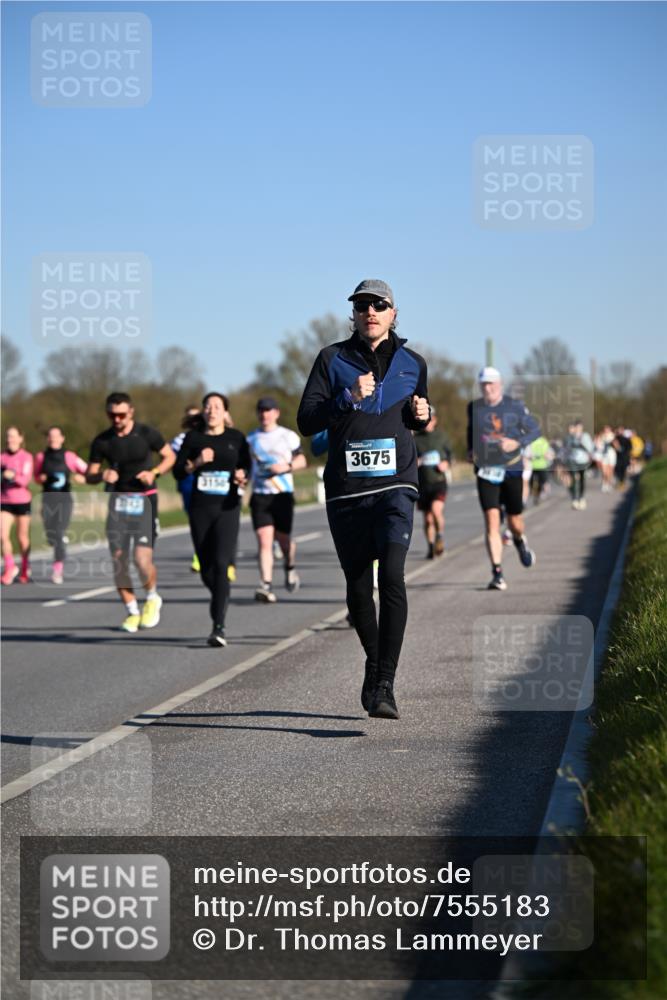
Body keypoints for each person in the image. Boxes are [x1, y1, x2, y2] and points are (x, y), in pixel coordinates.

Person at [297, 278, 431, 720]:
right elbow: (306, 420)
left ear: (394, 313)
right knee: (357, 583)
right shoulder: (331, 359)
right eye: (361, 306)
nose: (369, 311)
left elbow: (418, 416)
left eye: (379, 305)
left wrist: (424, 416)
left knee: (391, 573)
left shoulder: (414, 363)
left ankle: (386, 683)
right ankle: (373, 665)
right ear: (353, 314)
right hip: (347, 489)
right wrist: (346, 397)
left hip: (396, 484)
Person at [86, 392, 175, 632]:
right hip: (118, 505)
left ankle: (153, 597)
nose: (116, 419)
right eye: (111, 415)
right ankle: (132, 610)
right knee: (119, 561)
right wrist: (101, 475)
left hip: (144, 502)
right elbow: (89, 475)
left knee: (141, 559)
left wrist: (154, 473)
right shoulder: (102, 441)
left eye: (121, 414)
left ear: (131, 412)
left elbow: (169, 456)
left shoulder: (147, 434)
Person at [173, 392, 250, 646]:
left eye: (217, 406)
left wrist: (242, 476)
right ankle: (220, 593)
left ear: (224, 411)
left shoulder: (236, 438)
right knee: (206, 567)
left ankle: (218, 626)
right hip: (200, 508)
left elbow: (246, 468)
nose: (211, 410)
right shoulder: (193, 438)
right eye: (208, 406)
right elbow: (177, 471)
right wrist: (196, 462)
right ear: (203, 412)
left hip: (227, 508)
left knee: (220, 563)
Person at [467, 366, 540, 591]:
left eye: (491, 384)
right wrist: (471, 450)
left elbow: (535, 429)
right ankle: (497, 572)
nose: (487, 388)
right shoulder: (474, 407)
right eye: (483, 385)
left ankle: (519, 540)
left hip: (511, 469)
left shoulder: (514, 406)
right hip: (486, 471)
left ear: (499, 384)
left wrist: (517, 442)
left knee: (514, 522)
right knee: (491, 521)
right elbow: (471, 431)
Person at [247, 397, 307, 603]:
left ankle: (290, 567)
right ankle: (266, 585)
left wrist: (284, 467)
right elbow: (246, 467)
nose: (265, 415)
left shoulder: (287, 436)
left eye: (269, 410)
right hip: (260, 496)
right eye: (261, 411)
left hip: (282, 496)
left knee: (283, 542)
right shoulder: (251, 439)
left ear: (277, 413)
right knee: (264, 541)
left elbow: (302, 460)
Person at [34, 426, 88, 583]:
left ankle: (57, 570)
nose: (53, 439)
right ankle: (58, 540)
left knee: (58, 531)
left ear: (62, 438)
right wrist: (41, 479)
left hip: (64, 500)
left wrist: (82, 477)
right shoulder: (40, 457)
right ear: (47, 439)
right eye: (50, 436)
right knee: (51, 535)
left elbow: (86, 470)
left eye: (56, 436)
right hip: (47, 500)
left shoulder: (69, 456)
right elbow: (36, 476)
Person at [413, 407, 451, 558]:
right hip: (423, 483)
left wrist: (446, 464)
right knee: (428, 519)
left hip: (439, 481)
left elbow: (449, 456)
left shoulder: (442, 436)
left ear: (434, 420)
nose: (428, 422)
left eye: (430, 418)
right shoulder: (415, 439)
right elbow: (410, 460)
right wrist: (417, 462)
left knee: (436, 511)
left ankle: (439, 536)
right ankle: (430, 546)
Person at [171, 406, 202, 572]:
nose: (194, 420)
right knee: (195, 521)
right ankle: (199, 554)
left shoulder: (208, 435)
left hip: (206, 485)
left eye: (197, 416)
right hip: (188, 484)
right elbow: (175, 462)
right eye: (190, 417)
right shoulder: (179, 439)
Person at [1, 427, 33, 585]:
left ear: (20, 438)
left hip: (22, 501)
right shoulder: (2, 457)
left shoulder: (26, 457)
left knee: (22, 537)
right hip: (4, 501)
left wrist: (13, 475)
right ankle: (9, 567)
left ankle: (25, 568)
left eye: (13, 436)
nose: (10, 440)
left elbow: (25, 480)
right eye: (8, 437)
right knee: (3, 535)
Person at [563, 420, 593, 510]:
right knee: (574, 479)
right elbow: (566, 449)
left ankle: (581, 497)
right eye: (576, 427)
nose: (578, 429)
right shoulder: (570, 437)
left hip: (583, 461)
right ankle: (575, 499)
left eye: (580, 427)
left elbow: (590, 448)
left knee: (582, 480)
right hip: (573, 461)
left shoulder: (585, 436)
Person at [527, 434, 553, 504]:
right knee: (536, 483)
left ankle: (539, 495)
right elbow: (528, 454)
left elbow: (548, 453)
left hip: (541, 466)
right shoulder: (532, 441)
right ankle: (538, 495)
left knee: (541, 482)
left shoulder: (543, 441)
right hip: (535, 466)